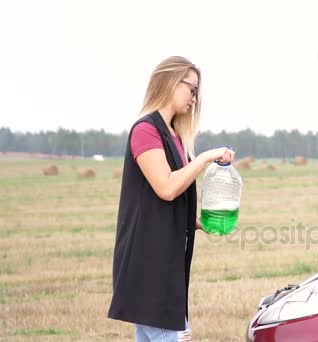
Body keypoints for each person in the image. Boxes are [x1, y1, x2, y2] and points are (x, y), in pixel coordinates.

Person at [108, 56, 234, 341]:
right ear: (171, 82)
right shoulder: (146, 131)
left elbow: (168, 202)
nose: (195, 99)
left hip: (164, 262)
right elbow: (166, 187)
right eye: (192, 90)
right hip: (150, 264)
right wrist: (205, 157)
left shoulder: (174, 135)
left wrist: (198, 222)